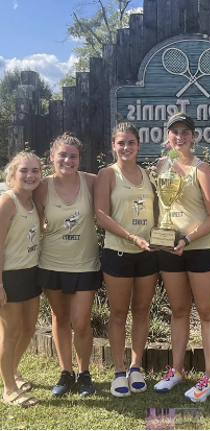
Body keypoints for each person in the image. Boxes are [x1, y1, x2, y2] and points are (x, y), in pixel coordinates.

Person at [153, 113, 210, 403]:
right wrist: (161, 238)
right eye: (174, 132)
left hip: (200, 248)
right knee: (178, 311)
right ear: (167, 136)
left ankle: (209, 377)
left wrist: (187, 239)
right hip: (169, 248)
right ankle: (177, 370)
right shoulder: (160, 166)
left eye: (184, 132)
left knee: (206, 312)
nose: (179, 137)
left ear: (193, 136)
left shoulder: (202, 169)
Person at [33, 133, 102, 397]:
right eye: (62, 154)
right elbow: (31, 220)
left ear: (79, 159)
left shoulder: (92, 182)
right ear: (52, 156)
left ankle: (84, 373)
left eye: (73, 156)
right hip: (51, 262)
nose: (67, 160)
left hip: (85, 262)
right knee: (60, 319)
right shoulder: (42, 187)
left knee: (81, 322)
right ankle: (66, 372)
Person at [95, 122, 158, 397]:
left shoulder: (148, 175)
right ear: (113, 145)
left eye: (131, 142)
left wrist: (159, 236)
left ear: (138, 145)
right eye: (121, 142)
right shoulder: (107, 174)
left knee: (142, 312)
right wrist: (132, 237)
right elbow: (101, 215)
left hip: (147, 255)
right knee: (119, 314)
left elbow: (158, 211)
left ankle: (135, 367)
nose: (126, 147)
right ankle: (119, 371)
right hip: (118, 253)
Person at [0, 152, 42, 407]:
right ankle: (8, 389)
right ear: (13, 174)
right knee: (10, 333)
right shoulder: (8, 201)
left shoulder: (33, 200)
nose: (30, 175)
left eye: (35, 171)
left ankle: (12, 370)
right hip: (10, 276)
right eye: (24, 171)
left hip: (31, 272)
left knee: (28, 329)